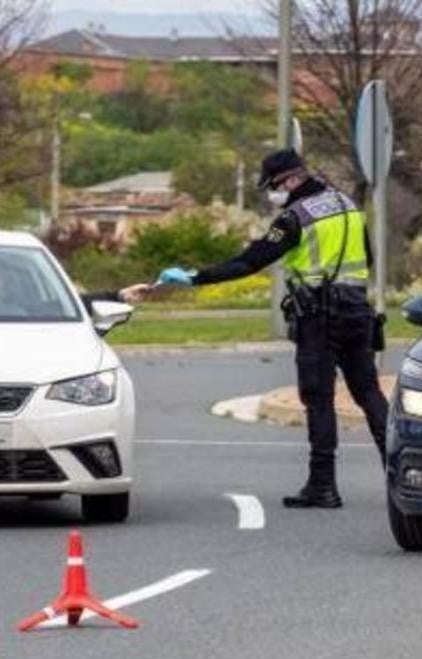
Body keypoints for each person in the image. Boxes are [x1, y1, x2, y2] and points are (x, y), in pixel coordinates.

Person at [156, 149, 389, 509]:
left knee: (319, 399)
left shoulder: (294, 217)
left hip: (319, 316)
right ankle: (400, 475)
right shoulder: (347, 205)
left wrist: (196, 278)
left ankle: (322, 485)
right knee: (369, 393)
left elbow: (251, 261)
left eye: (274, 187)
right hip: (358, 311)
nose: (272, 195)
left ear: (291, 179)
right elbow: (368, 259)